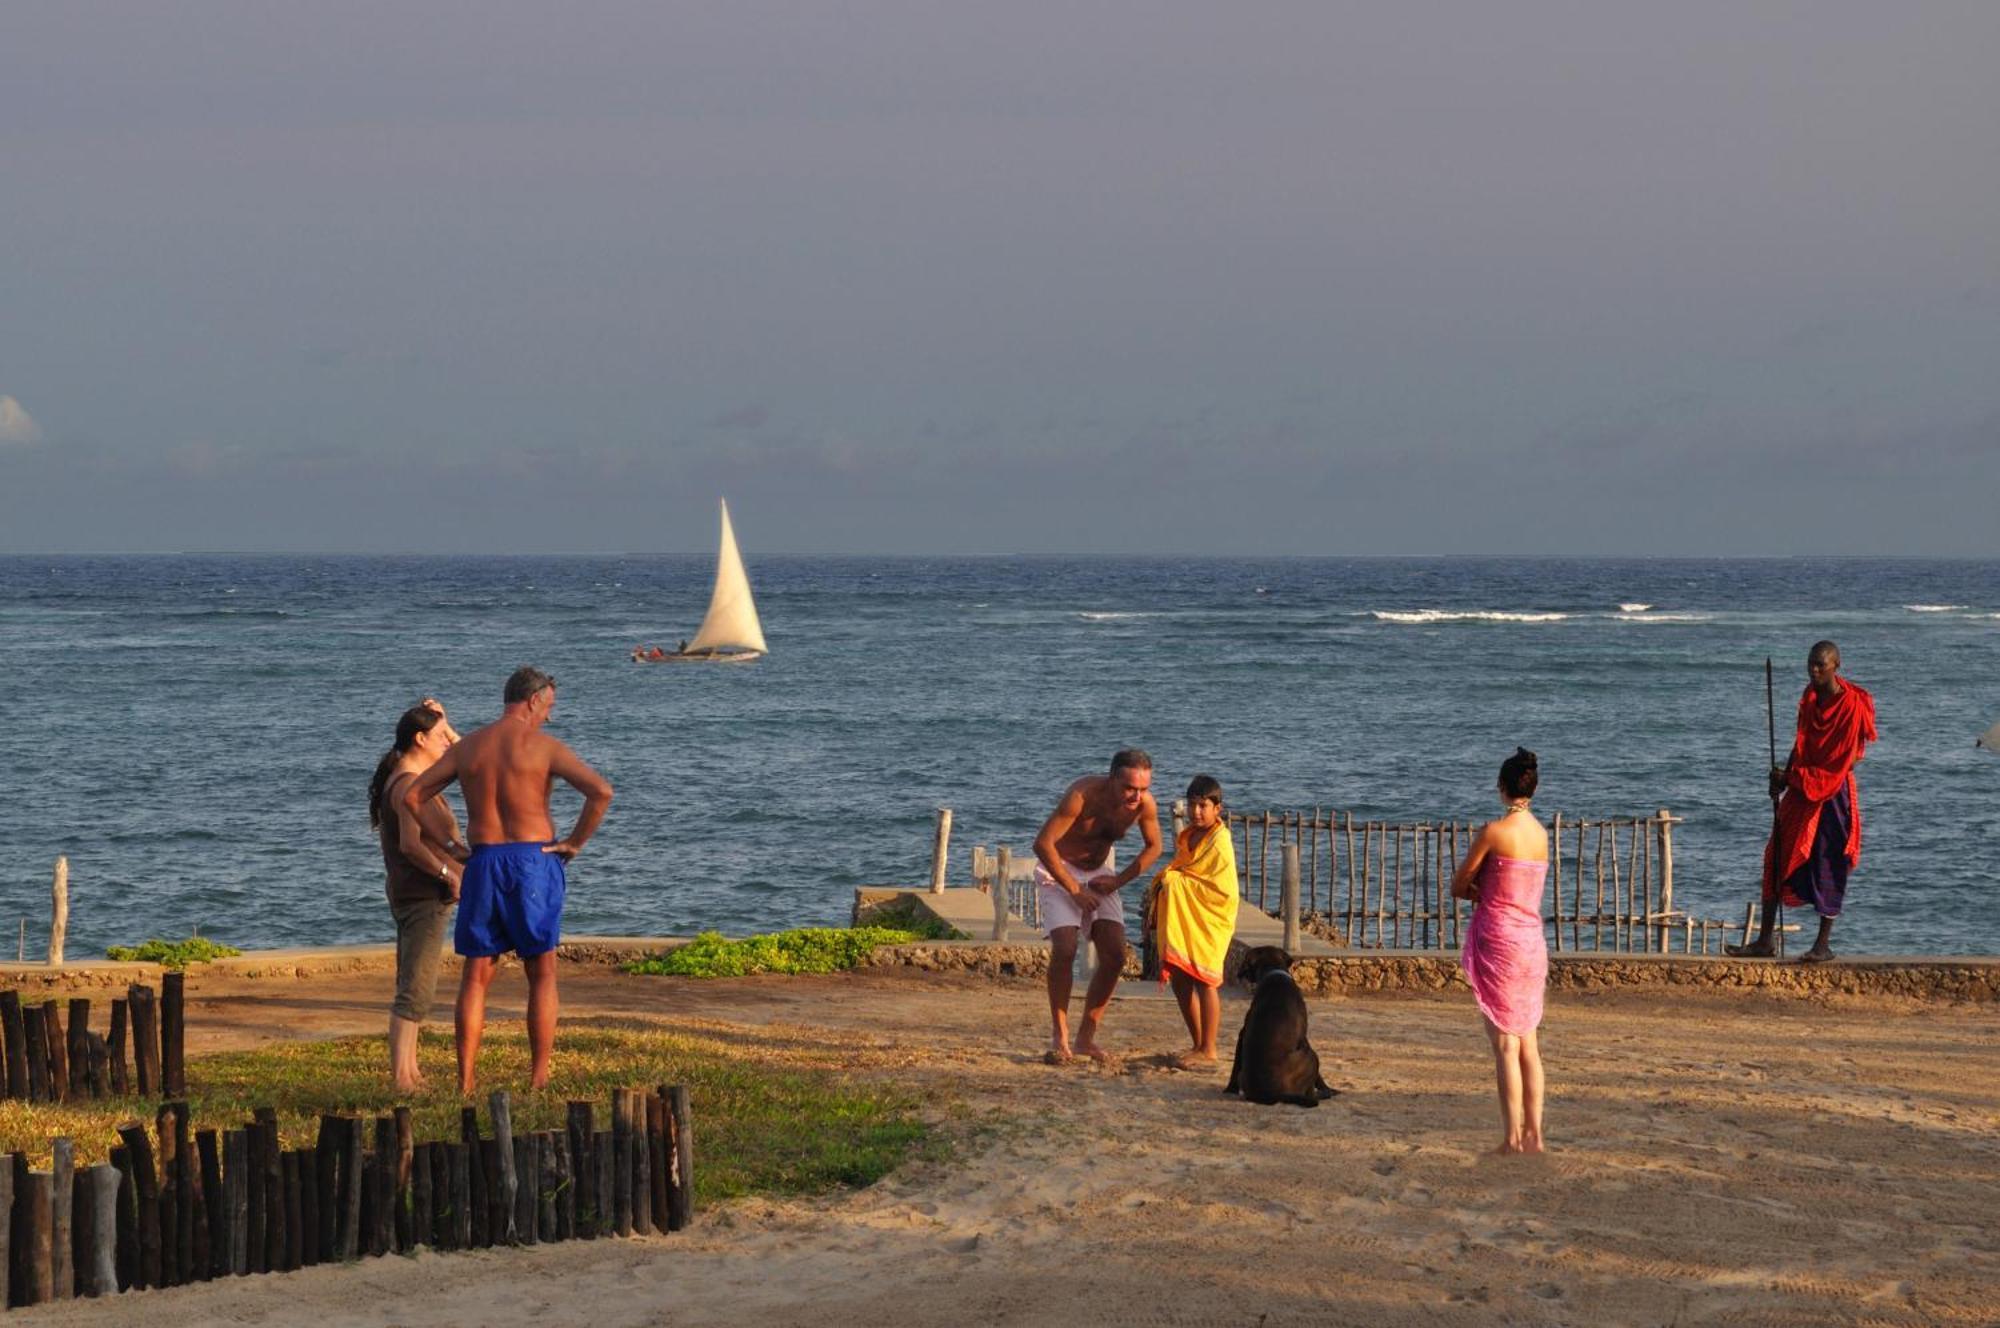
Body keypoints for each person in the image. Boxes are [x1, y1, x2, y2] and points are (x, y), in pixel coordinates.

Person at [405, 666, 614, 1093]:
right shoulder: (544, 747)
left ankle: (465, 1083)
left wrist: (449, 842)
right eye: (549, 707)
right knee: (542, 972)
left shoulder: (471, 748)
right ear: (534, 700)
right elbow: (601, 792)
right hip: (533, 861)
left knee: (477, 974)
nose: (549, 717)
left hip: (483, 861)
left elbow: (412, 796)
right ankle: (538, 1079)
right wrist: (574, 842)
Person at [1728, 641, 1877, 963]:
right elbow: (1802, 746)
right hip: (1802, 789)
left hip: (1832, 793)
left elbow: (1840, 763)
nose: (1814, 670)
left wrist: (1791, 777)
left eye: (1820, 665)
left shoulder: (1851, 706)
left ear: (1836, 665)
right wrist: (1783, 776)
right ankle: (1765, 940)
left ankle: (1822, 945)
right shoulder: (1809, 699)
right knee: (1776, 856)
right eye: (1810, 664)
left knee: (1829, 861)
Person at [1032, 749, 1163, 1064]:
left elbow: (1155, 846)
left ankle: (1085, 1039)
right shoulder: (1082, 795)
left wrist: (1118, 881)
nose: (1136, 795)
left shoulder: (1144, 806)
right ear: (1112, 778)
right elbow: (1042, 843)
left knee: (1116, 955)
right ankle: (1059, 1036)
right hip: (1059, 871)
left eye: (1143, 788)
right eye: (1130, 787)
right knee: (1065, 948)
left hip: (1100, 876)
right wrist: (1074, 889)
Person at [1450, 747, 1550, 1155]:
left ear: (1502, 787)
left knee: (1505, 1045)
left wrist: (1479, 891)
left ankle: (1511, 1139)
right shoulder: (1542, 835)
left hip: (1500, 941)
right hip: (1531, 942)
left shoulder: (1494, 832)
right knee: (1529, 1042)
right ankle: (1535, 1136)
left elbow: (1459, 885)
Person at [368, 700, 467, 1092]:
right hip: (423, 895)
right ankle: (401, 1077)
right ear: (420, 738)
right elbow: (411, 846)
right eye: (439, 736)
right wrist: (449, 874)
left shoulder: (414, 778)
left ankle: (410, 1072)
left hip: (418, 893)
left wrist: (446, 722)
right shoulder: (409, 784)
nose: (447, 742)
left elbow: (465, 761)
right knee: (415, 990)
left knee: (413, 986)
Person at [1146, 774, 1239, 1069]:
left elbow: (1220, 889)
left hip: (1210, 917)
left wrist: (1174, 882)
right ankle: (1198, 1043)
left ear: (1217, 809)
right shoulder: (1187, 835)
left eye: (1203, 806)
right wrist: (1173, 880)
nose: (1196, 812)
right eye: (1192, 805)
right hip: (1188, 917)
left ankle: (1209, 1048)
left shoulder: (1220, 841)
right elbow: (1186, 870)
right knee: (1182, 979)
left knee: (1206, 980)